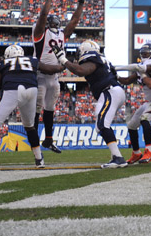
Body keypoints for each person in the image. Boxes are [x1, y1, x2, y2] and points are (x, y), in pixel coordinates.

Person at [0, 45, 64, 172]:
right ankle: (39, 159)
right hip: (32, 90)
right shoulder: (32, 60)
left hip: (12, 89)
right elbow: (51, 69)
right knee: (30, 126)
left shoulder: (3, 63)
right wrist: (64, 62)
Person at [53, 40, 131, 168]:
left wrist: (63, 59)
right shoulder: (103, 60)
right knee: (100, 126)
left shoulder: (92, 58)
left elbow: (81, 71)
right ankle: (115, 155)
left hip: (109, 91)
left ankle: (118, 158)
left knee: (102, 124)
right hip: (110, 91)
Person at [32, 0, 85, 154]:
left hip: (54, 77)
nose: (56, 24)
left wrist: (81, 4)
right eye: (53, 22)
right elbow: (42, 16)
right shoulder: (40, 32)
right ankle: (33, 143)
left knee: (50, 109)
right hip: (41, 75)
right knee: (37, 109)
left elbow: (75, 21)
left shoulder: (61, 35)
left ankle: (48, 140)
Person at [121, 43, 151, 164]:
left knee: (145, 119)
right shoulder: (141, 67)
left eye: (146, 53)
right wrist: (114, 75)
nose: (144, 55)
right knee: (131, 125)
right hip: (149, 102)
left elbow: (146, 69)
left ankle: (149, 152)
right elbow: (127, 81)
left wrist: (118, 67)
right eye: (142, 53)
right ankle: (136, 153)